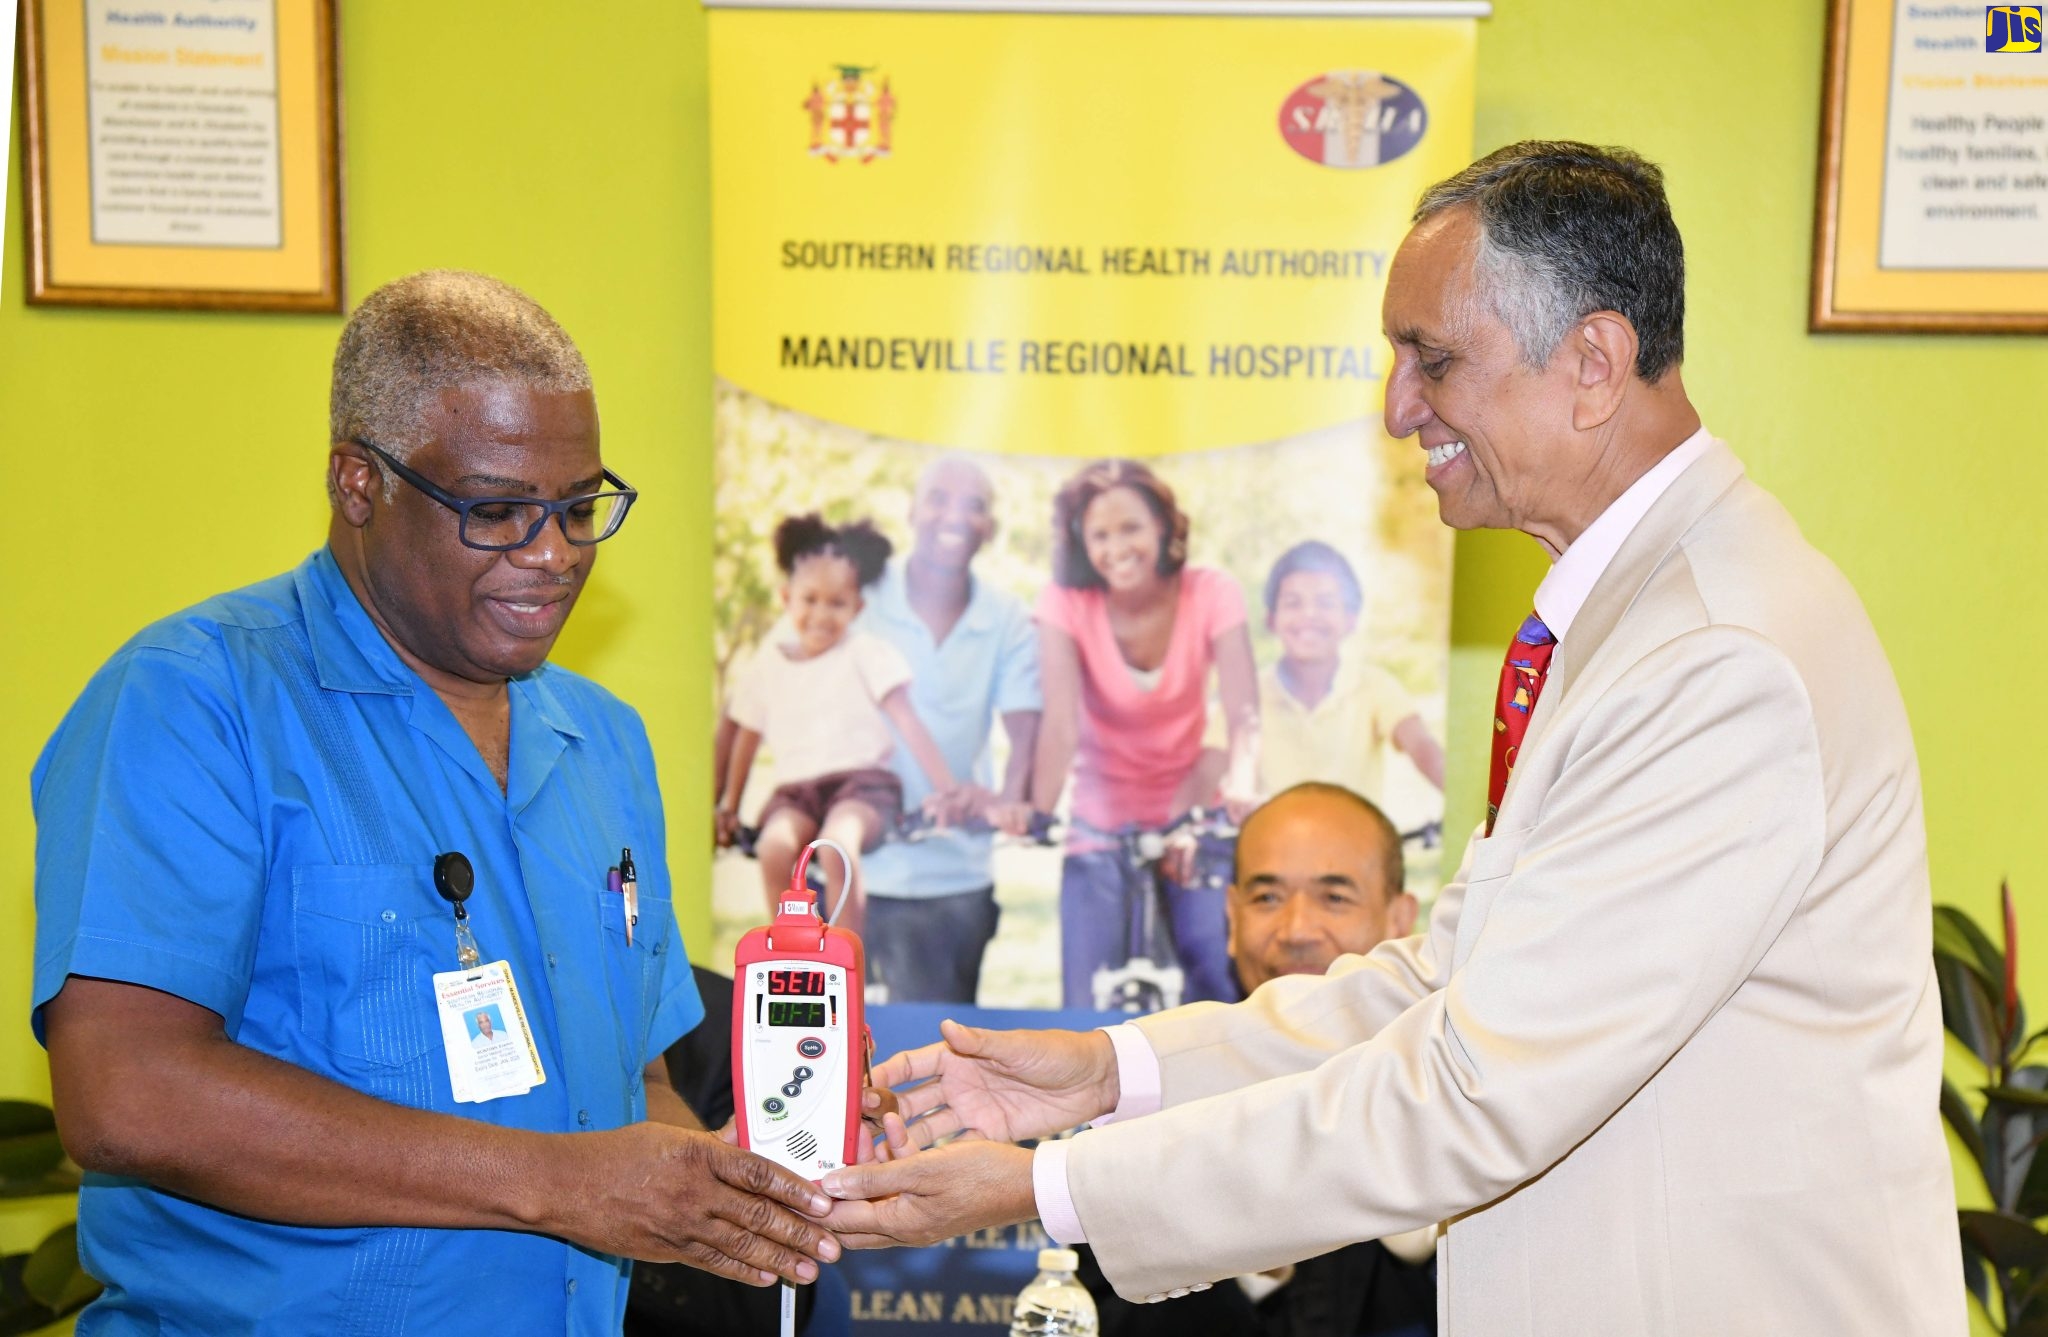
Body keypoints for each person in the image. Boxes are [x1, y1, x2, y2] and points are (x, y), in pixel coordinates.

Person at [815, 142, 1965, 1336]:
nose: (1395, 405)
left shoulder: (1717, 657)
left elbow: (1473, 1091)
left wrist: (1054, 1185)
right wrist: (1113, 1073)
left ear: (1591, 363)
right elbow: (1444, 980)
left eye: (1433, 357)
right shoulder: (1638, 620)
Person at [31, 270, 842, 1333]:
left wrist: (747, 1180)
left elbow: (628, 1084)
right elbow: (124, 1092)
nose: (554, 555)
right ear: (358, 483)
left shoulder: (602, 740)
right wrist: (561, 1182)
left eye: (580, 506)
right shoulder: (195, 699)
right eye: (498, 510)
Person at [1080, 782, 1436, 1337]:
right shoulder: (1155, 1098)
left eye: (1334, 897)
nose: (1295, 931)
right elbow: (1100, 1314)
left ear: (1401, 922)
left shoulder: (1453, 1092)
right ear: (1231, 915)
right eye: (1267, 898)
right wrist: (1250, 1250)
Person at [1032, 459, 1258, 1007]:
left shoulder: (1211, 592)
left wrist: (1243, 784)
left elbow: (1243, 711)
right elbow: (1060, 725)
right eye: (1099, 535)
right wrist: (1036, 813)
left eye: (1131, 527)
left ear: (1163, 526)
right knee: (1084, 998)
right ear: (1081, 542)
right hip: (1098, 818)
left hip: (1190, 810)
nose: (1116, 548)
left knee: (1210, 965)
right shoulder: (1065, 602)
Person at [715, 513, 958, 936]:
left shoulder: (866, 653)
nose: (822, 615)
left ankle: (848, 961)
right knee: (774, 848)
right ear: (787, 597)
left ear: (858, 607)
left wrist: (946, 790)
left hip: (861, 787)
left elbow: (908, 721)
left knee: (837, 847)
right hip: (796, 794)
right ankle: (793, 951)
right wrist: (730, 807)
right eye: (810, 600)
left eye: (837, 603)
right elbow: (746, 740)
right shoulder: (767, 666)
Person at [857, 455, 1041, 1004]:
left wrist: (1007, 800)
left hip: (953, 880)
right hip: (851, 869)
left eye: (976, 505)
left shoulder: (1007, 615)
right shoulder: (860, 592)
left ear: (990, 527)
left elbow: (1025, 726)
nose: (955, 515)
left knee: (933, 1060)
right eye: (938, 496)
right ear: (912, 510)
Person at [1254, 541, 1443, 802]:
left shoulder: (1374, 685)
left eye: (1326, 602)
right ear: (1270, 620)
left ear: (1351, 620)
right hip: (1270, 840)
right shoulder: (1248, 694)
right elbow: (1209, 767)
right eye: (1293, 603)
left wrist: (1457, 792)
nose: (1309, 614)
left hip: (1359, 840)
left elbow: (1422, 745)